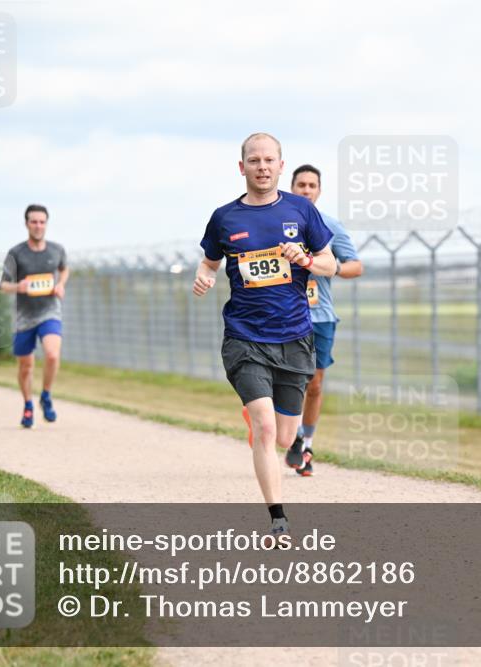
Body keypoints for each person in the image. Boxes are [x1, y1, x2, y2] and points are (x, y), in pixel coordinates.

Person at [193, 133, 336, 538]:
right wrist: (204, 278)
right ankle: (278, 518)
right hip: (244, 337)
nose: (261, 166)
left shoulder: (302, 210)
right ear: (242, 167)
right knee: (266, 429)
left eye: (268, 160)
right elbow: (208, 263)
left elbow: (329, 264)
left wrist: (305, 258)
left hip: (294, 338)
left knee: (286, 434)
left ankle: (265, 423)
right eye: (253, 160)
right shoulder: (225, 217)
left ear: (280, 165)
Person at [286, 164, 364, 476]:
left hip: (320, 316)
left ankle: (304, 445)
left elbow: (355, 266)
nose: (306, 190)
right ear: (291, 188)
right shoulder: (276, 224)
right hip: (284, 313)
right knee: (288, 381)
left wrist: (330, 268)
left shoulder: (330, 226)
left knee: (314, 384)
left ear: (319, 191)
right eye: (301, 185)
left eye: (312, 185)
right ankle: (277, 429)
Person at [0, 204, 69, 429]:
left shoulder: (56, 250)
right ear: (26, 224)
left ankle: (45, 396)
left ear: (46, 224)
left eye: (42, 222)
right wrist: (20, 287)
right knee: (26, 366)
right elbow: (1, 285)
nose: (38, 226)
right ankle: (28, 404)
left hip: (49, 312)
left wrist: (61, 285)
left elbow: (64, 268)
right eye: (34, 222)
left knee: (52, 355)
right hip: (24, 317)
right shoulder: (16, 253)